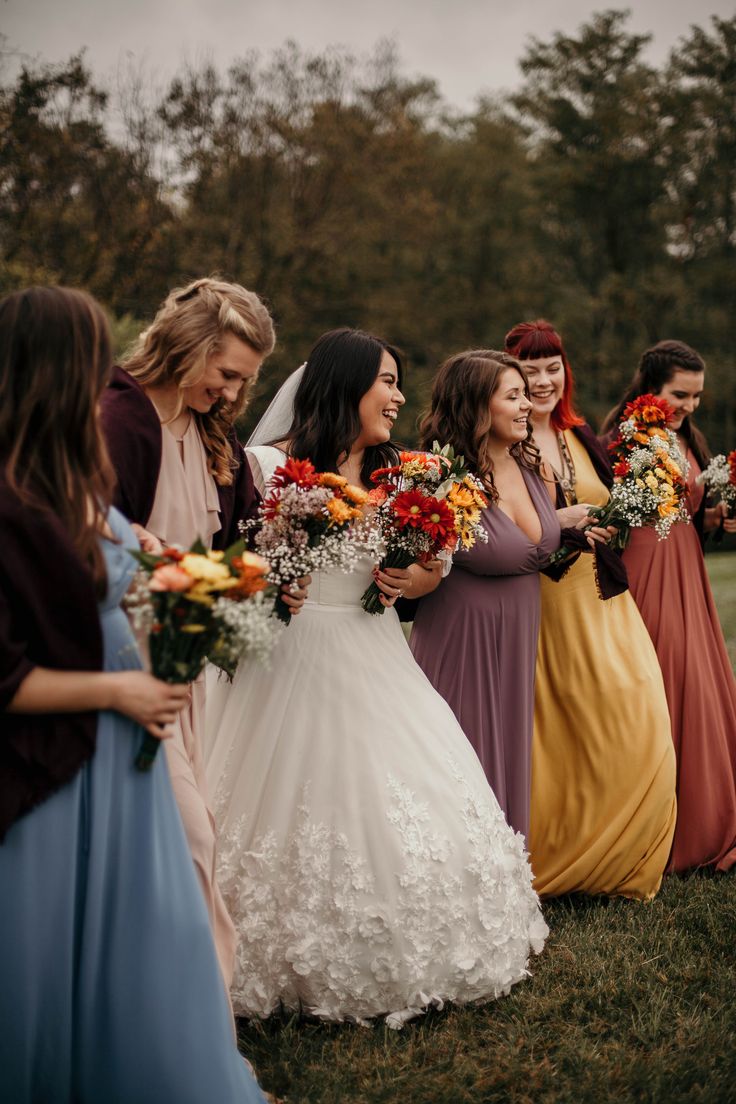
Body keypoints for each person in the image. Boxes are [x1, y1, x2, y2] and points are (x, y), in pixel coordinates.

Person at [204, 328, 548, 1027]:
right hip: (287, 660)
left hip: (377, 654)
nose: (397, 396)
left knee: (407, 792)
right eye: (385, 381)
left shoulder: (406, 473)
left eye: (398, 381)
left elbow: (438, 561)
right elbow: (222, 559)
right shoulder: (266, 466)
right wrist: (269, 582)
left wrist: (418, 572)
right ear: (344, 385)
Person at [0, 286, 266, 1102]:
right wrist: (121, 687)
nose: (104, 380)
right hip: (75, 746)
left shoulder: (65, 468)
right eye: (89, 361)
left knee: (150, 912)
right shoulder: (32, 484)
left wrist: (167, 565)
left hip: (122, 742)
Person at [100, 276, 305, 989]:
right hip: (120, 666)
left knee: (175, 842)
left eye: (245, 382)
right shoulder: (117, 419)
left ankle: (164, 1015)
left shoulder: (213, 433)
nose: (230, 394)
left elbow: (242, 541)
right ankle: (194, 1026)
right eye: (225, 374)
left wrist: (273, 577)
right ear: (188, 346)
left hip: (185, 672)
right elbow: (94, 545)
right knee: (188, 839)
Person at [503, 319, 677, 899]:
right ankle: (563, 858)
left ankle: (624, 856)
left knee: (640, 717)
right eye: (530, 373)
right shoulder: (508, 444)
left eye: (553, 368)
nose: (544, 381)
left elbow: (608, 508)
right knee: (564, 733)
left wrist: (631, 508)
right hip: (548, 606)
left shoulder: (582, 435)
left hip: (605, 600)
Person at [408, 351, 561, 839]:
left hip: (518, 635)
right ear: (476, 406)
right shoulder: (439, 478)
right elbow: (412, 559)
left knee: (509, 749)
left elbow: (540, 543)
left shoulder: (535, 469)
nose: (527, 405)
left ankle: (507, 883)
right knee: (462, 759)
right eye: (512, 396)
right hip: (462, 640)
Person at [602, 340, 736, 873]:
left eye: (698, 396)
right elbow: (624, 509)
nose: (690, 406)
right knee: (659, 680)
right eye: (681, 394)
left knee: (699, 683)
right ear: (650, 386)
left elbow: (684, 508)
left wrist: (712, 518)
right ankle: (656, 827)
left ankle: (704, 813)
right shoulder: (628, 437)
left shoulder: (686, 438)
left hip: (688, 573)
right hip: (647, 571)